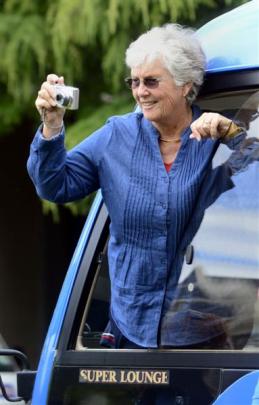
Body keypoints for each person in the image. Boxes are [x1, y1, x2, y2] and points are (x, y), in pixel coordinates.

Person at [27, 24, 244, 352]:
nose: (140, 91)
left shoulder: (216, 137)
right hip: (129, 334)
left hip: (203, 339)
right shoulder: (116, 136)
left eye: (151, 81)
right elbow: (55, 185)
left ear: (186, 85)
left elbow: (254, 173)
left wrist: (232, 133)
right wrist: (52, 124)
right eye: (135, 81)